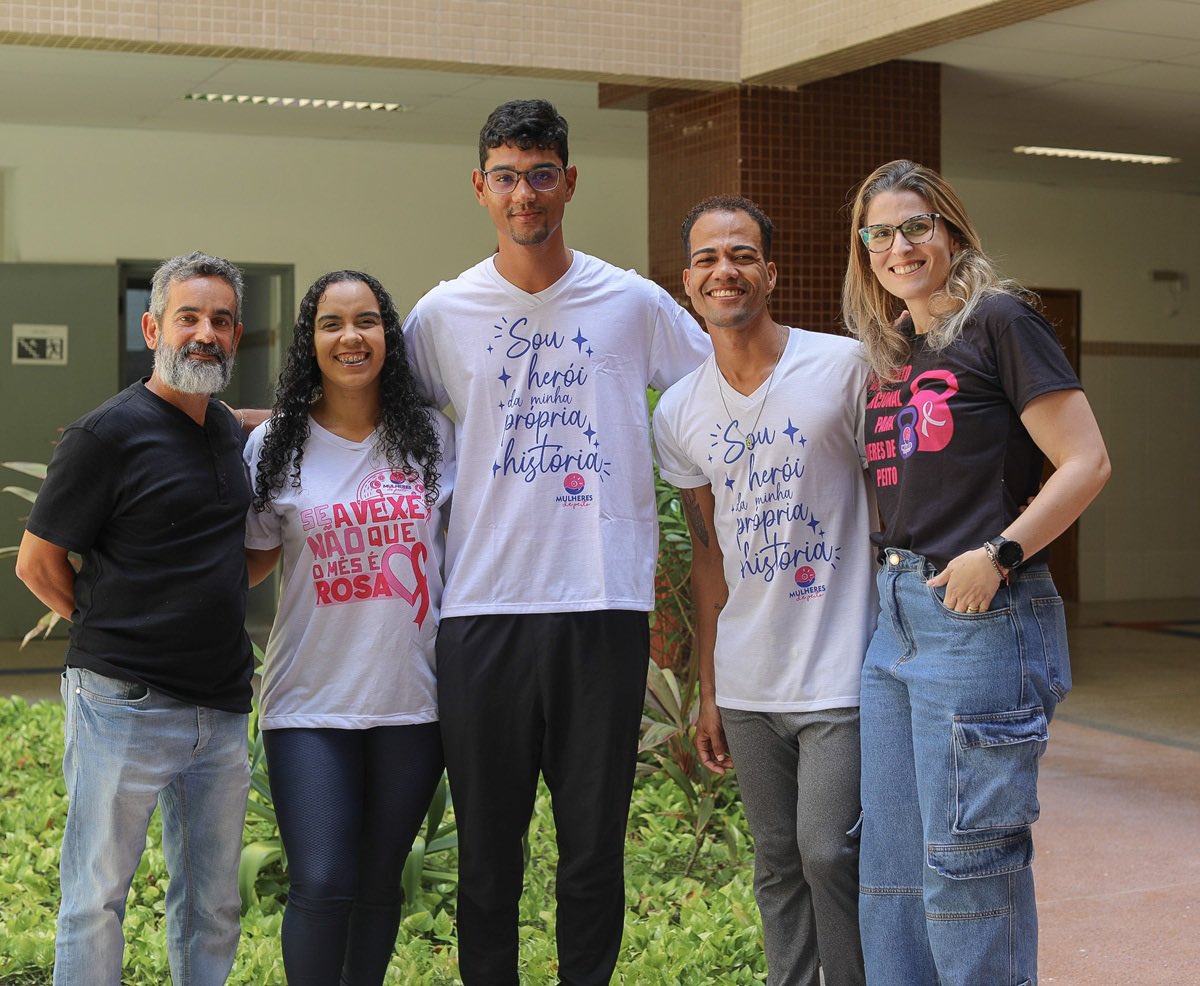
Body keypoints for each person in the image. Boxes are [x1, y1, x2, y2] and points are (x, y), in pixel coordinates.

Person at [402, 98, 711, 985]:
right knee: (488, 858)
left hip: (602, 606)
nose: (524, 194)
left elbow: (721, 388)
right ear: (480, 187)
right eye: (506, 176)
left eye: (542, 175)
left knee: (591, 849)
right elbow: (380, 426)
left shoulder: (632, 303)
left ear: (569, 182)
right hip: (484, 612)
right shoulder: (443, 313)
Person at [841, 160, 1111, 984]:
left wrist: (999, 555)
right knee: (889, 874)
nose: (900, 246)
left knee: (966, 867)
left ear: (952, 232)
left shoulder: (999, 322)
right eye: (880, 233)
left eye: (917, 226)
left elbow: (1086, 462)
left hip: (981, 618)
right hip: (897, 621)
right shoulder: (897, 349)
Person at [15, 252, 253, 986]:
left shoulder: (225, 431)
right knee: (96, 899)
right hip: (123, 705)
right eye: (188, 317)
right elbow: (37, 563)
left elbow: (228, 555)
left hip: (219, 713)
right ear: (153, 327)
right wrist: (112, 630)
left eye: (219, 320)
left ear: (236, 336)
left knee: (212, 904)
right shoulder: (105, 436)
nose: (204, 333)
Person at [652, 196, 873, 986]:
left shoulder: (843, 367)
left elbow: (895, 501)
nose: (725, 270)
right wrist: (710, 690)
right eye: (708, 259)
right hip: (748, 679)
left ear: (770, 272)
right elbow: (708, 560)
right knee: (778, 864)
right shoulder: (680, 411)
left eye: (741, 254)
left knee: (828, 851)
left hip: (840, 665)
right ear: (687, 282)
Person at [243, 271, 454, 985]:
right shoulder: (275, 444)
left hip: (412, 700)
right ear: (311, 342)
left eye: (366, 321)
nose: (350, 337)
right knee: (324, 880)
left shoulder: (432, 440)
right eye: (331, 324)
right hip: (309, 701)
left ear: (387, 340)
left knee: (378, 884)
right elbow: (248, 564)